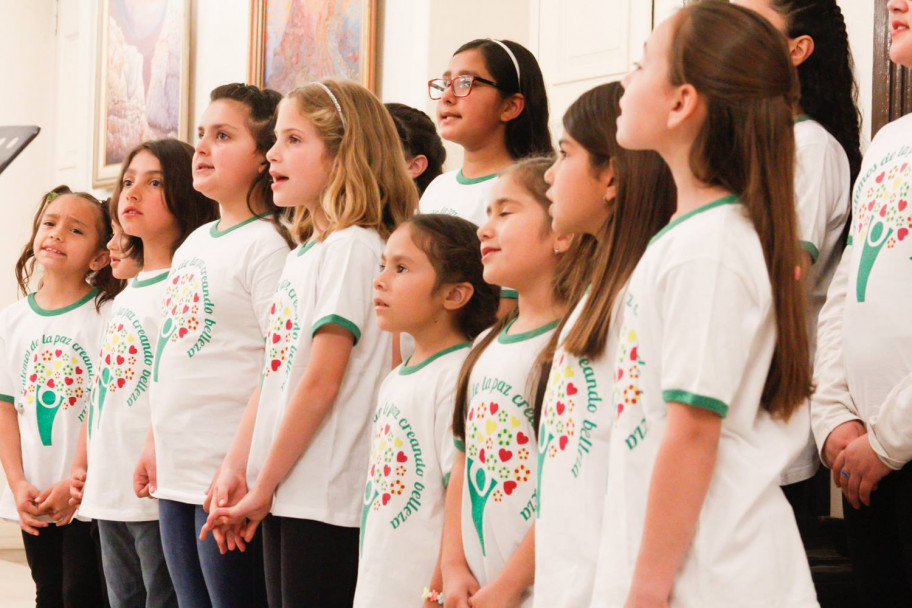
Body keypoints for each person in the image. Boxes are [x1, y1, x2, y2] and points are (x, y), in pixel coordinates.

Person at [589, 4, 818, 606]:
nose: (623, 81)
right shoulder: (691, 239)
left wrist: (645, 592)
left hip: (716, 574)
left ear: (681, 102)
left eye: (641, 65)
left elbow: (692, 435)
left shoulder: (709, 249)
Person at [201, 79, 416, 607]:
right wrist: (237, 468)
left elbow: (321, 382)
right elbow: (274, 377)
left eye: (294, 140)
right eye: (275, 139)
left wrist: (263, 484)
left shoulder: (353, 248)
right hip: (285, 492)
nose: (273, 153)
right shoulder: (304, 254)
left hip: (325, 496)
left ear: (346, 153)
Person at [136, 84, 291, 608]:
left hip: (227, 475)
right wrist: (156, 441)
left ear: (262, 157)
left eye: (222, 136)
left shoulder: (269, 244)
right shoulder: (195, 244)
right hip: (178, 466)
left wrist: (237, 464)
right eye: (201, 134)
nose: (201, 147)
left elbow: (277, 365)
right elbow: (173, 354)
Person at [534, 81, 675, 608]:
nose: (549, 174)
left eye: (564, 154)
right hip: (568, 579)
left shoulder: (643, 296)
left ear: (611, 175)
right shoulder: (595, 292)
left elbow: (641, 469)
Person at [811, 0, 912, 604]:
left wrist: (887, 441)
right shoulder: (890, 141)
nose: (895, 4)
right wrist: (834, 416)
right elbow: (848, 285)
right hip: (866, 459)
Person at [0, 185, 120, 607]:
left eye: (74, 230)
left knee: (81, 594)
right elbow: (5, 410)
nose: (55, 234)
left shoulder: (107, 316)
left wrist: (75, 483)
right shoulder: (11, 321)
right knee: (48, 591)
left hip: (88, 494)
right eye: (50, 224)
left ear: (100, 256)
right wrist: (16, 483)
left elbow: (111, 407)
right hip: (33, 494)